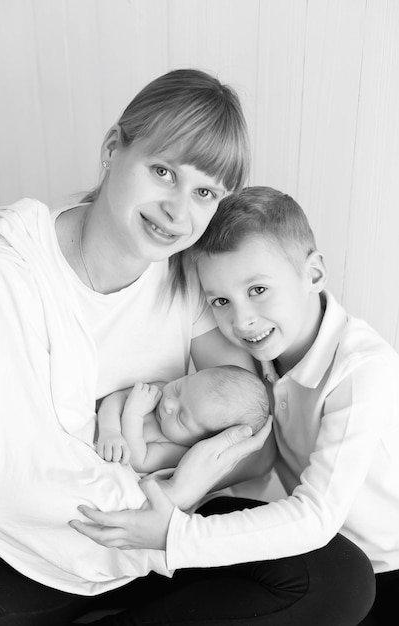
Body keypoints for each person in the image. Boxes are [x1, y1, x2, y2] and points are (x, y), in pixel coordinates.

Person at [0, 68, 274, 625]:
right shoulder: (6, 272)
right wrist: (173, 493)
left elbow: (250, 434)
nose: (177, 212)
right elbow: (14, 481)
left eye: (205, 192)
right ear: (114, 148)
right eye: (164, 171)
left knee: (332, 575)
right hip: (30, 550)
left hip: (153, 535)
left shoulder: (188, 273)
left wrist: (170, 506)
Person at [69, 187, 387, 625]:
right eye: (221, 301)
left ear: (313, 274)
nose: (241, 321)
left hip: (381, 563)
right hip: (307, 548)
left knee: (339, 586)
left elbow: (316, 515)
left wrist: (178, 534)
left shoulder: (360, 370)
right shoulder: (260, 360)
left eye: (258, 289)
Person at [97, 365, 269, 473]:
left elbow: (139, 462)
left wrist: (133, 414)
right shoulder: (161, 392)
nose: (169, 404)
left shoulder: (178, 450)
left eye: (181, 417)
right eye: (179, 388)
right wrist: (109, 431)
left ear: (200, 441)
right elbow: (117, 398)